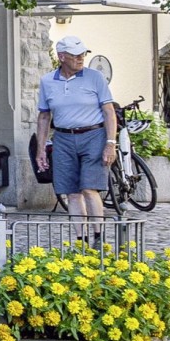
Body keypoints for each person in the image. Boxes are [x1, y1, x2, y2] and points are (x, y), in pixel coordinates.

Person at [33, 33, 118, 220]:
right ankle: (80, 240)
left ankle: (97, 237)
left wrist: (110, 143)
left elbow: (109, 111)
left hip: (93, 135)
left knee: (89, 188)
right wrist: (41, 149)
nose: (81, 59)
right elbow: (44, 116)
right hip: (63, 138)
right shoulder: (48, 81)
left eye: (83, 54)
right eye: (76, 55)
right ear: (62, 56)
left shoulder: (95, 77)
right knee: (71, 191)